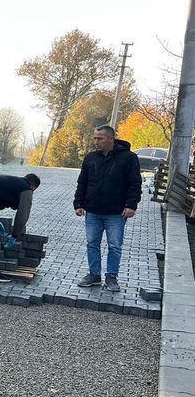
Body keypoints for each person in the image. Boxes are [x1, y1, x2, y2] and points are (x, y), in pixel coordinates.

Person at [73, 125, 141, 292]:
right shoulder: (90, 158)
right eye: (95, 138)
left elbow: (135, 183)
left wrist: (131, 205)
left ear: (111, 139)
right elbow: (82, 182)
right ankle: (94, 275)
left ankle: (111, 277)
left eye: (100, 138)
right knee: (92, 243)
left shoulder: (128, 158)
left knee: (115, 245)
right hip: (93, 210)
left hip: (116, 212)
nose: (96, 142)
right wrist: (79, 203)